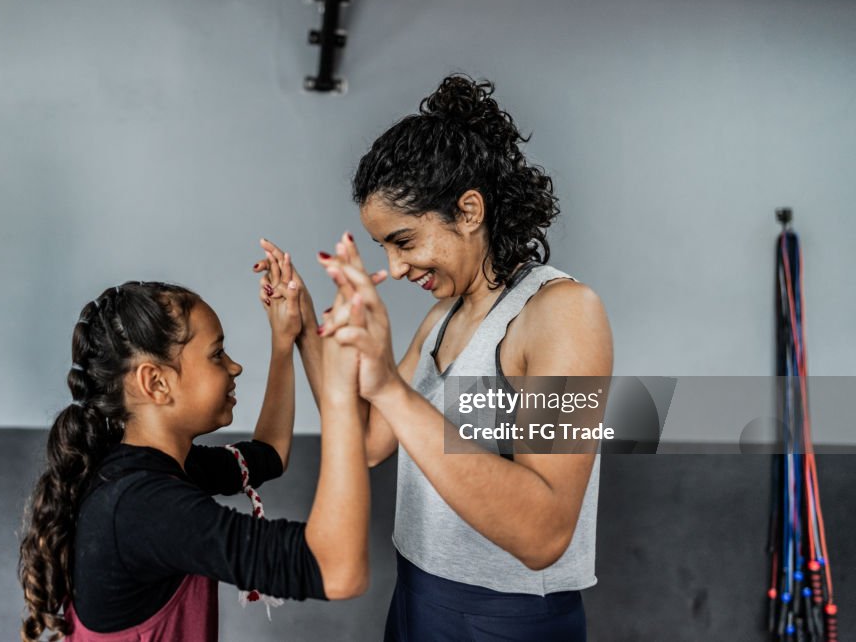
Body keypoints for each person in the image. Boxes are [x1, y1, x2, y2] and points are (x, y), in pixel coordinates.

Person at [257, 75, 613, 641]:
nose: (396, 269)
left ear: (469, 211)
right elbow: (372, 439)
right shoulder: (444, 316)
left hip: (507, 619)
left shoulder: (563, 312)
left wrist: (392, 390)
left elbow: (545, 533)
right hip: (417, 593)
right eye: (384, 250)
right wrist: (303, 330)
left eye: (404, 241)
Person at [18, 269, 370, 641]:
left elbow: (269, 455)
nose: (235, 367)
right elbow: (337, 570)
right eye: (217, 354)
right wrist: (340, 394)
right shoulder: (144, 507)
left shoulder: (154, 468)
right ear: (155, 382)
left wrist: (285, 342)